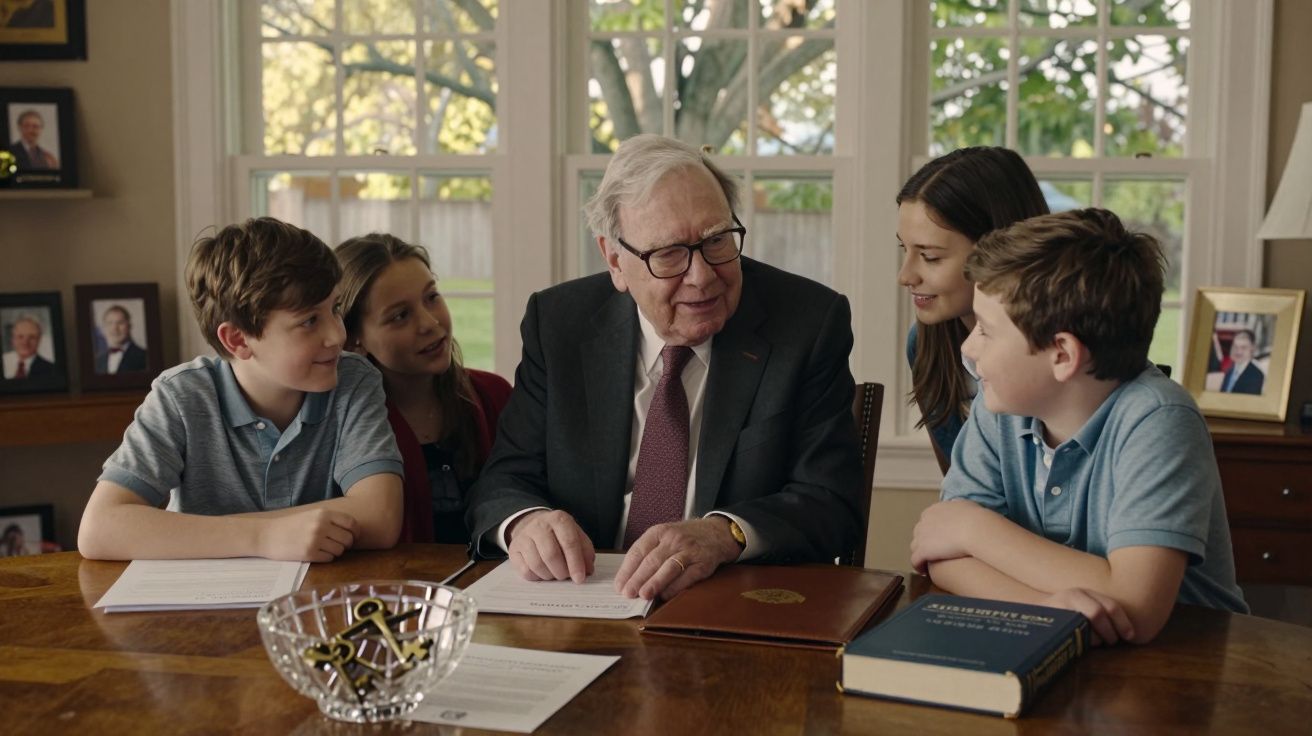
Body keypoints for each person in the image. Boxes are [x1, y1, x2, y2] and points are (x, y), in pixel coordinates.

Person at [465, 134, 864, 601]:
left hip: (731, 603)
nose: (702, 275)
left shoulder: (807, 323)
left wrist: (725, 535)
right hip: (582, 598)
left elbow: (832, 502)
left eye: (717, 240)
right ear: (615, 260)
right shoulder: (559, 324)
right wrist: (525, 522)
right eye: (669, 254)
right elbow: (504, 480)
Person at [910, 208, 1247, 647]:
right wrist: (1048, 611)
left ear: (1063, 355)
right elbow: (942, 557)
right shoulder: (999, 409)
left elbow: (1137, 608)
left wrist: (973, 528)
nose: (969, 347)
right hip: (1067, 648)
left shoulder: (1159, 420)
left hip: (1185, 663)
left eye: (987, 332)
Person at [77, 217, 404, 562]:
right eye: (309, 321)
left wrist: (189, 532)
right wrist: (264, 538)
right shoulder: (181, 396)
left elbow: (380, 517)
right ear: (237, 340)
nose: (337, 335)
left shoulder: (354, 380)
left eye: (334, 308)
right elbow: (100, 528)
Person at [337, 233, 512, 544]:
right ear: (354, 339)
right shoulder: (348, 425)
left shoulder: (495, 395)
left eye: (432, 297)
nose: (430, 323)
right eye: (400, 316)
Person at [897, 147, 1049, 472]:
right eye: (904, 248)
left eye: (931, 256)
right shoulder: (925, 344)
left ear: (997, 250)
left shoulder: (1060, 358)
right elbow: (961, 491)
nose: (905, 276)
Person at [94, 304, 149, 375]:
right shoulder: (98, 361)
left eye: (120, 323)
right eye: (110, 323)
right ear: (104, 328)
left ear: (129, 326)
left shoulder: (144, 357)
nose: (114, 328)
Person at [2, 314, 56, 380]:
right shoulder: (4, 362)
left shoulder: (51, 369)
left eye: (32, 337)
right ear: (13, 340)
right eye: (20, 337)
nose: (25, 342)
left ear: (39, 340)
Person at [1220, 329, 1264, 395]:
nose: (1238, 352)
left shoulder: (1256, 375)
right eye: (1235, 347)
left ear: (1252, 349)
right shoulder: (1230, 371)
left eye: (1243, 348)